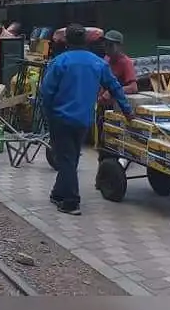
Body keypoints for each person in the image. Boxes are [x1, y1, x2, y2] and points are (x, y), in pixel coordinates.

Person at [39, 23, 133, 216]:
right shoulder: (98, 63)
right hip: (84, 120)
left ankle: (71, 201)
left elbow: (46, 92)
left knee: (66, 159)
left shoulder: (59, 62)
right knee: (70, 158)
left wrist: (48, 114)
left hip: (61, 118)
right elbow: (115, 87)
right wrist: (127, 110)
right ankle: (58, 193)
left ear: (66, 41)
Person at [97, 30, 138, 155]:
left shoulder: (126, 63)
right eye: (106, 44)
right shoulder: (106, 59)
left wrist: (113, 91)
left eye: (111, 45)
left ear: (119, 46)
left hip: (115, 109)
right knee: (102, 143)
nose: (107, 48)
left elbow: (133, 87)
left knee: (111, 145)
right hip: (102, 106)